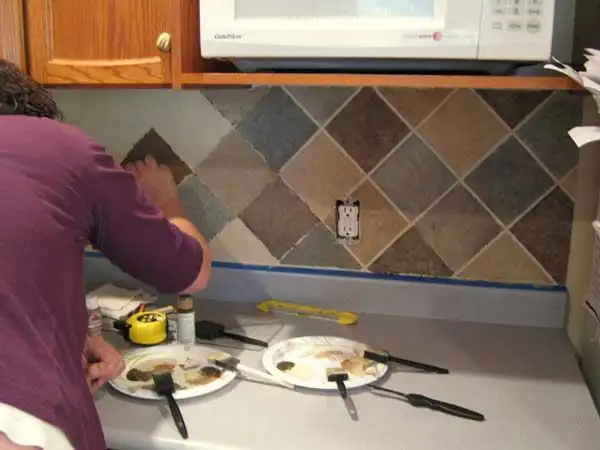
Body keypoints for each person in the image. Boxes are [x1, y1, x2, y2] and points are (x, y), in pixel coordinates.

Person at [0, 59, 212, 449]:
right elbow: (192, 272)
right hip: (21, 421)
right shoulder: (59, 146)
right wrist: (166, 202)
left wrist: (72, 339)